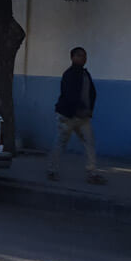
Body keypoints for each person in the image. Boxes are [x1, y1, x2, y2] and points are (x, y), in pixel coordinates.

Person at [48, 47, 106, 184]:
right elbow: (68, 96)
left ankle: (91, 173)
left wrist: (89, 110)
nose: (83, 58)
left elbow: (92, 93)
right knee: (60, 143)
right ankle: (52, 170)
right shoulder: (69, 74)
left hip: (83, 118)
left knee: (89, 143)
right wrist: (77, 110)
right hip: (68, 117)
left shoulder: (85, 74)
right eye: (80, 56)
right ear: (73, 57)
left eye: (85, 56)